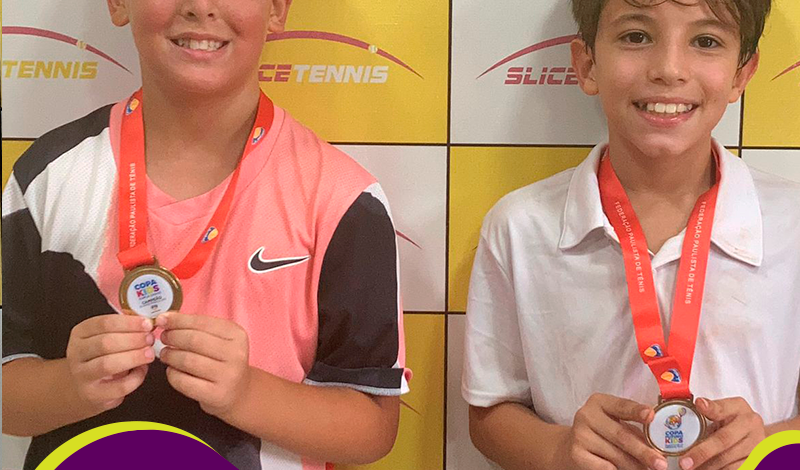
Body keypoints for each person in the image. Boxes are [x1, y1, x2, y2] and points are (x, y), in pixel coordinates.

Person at [2, 1, 409, 469]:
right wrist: (70, 388)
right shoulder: (46, 179)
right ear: (118, 4)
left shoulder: (342, 199)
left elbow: (373, 429)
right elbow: (10, 395)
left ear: (277, 9)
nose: (200, 6)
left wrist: (247, 393)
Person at [462, 1, 799, 470]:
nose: (669, 69)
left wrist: (768, 443)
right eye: (636, 36)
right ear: (587, 65)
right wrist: (559, 449)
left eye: (705, 41)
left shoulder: (793, 222)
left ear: (742, 74)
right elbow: (489, 414)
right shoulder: (520, 227)